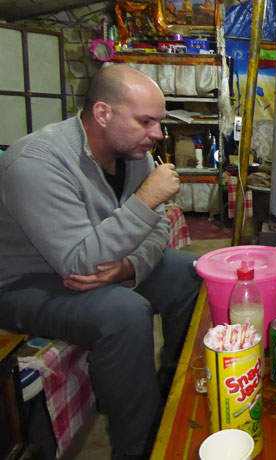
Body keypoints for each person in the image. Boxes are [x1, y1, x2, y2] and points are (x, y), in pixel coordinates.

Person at [0, 64, 201, 460]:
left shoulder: (133, 152)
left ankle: (169, 394)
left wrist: (131, 267)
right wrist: (146, 199)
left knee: (187, 272)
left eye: (159, 122)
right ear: (103, 113)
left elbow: (159, 229)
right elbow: (80, 263)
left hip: (101, 263)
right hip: (29, 282)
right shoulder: (36, 162)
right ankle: (138, 448)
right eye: (146, 121)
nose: (158, 134)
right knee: (123, 313)